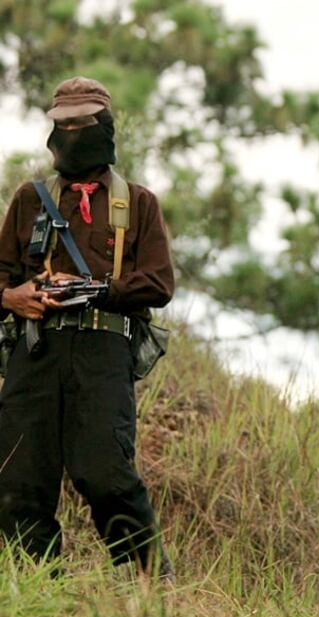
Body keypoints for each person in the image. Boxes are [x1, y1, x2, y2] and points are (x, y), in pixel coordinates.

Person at [0, 77, 175, 577]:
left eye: (86, 123)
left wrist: (98, 287)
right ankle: (37, 588)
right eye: (65, 125)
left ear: (107, 127)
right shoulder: (30, 199)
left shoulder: (138, 202)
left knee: (105, 473)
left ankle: (147, 580)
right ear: (53, 132)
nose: (75, 132)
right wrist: (14, 296)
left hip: (104, 350)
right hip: (36, 352)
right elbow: (2, 275)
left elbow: (159, 284)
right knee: (18, 476)